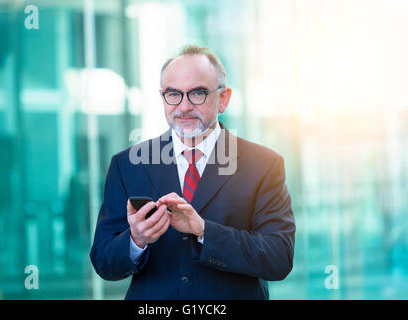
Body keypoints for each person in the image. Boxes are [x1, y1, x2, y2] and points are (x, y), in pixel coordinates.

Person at [90, 45, 295, 299]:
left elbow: (279, 258)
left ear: (223, 98)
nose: (184, 106)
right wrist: (136, 240)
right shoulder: (128, 165)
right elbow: (103, 261)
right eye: (173, 94)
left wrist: (203, 231)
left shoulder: (263, 165)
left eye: (197, 93)